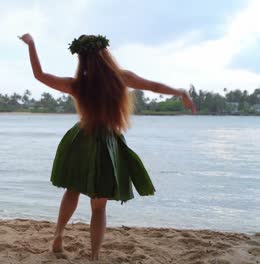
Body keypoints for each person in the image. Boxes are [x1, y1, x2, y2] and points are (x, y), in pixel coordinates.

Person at [19, 33, 196, 260]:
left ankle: (58, 236)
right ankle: (94, 256)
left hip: (80, 140)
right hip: (107, 145)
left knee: (72, 190)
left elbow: (39, 75)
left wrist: (32, 44)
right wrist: (180, 92)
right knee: (99, 206)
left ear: (81, 58)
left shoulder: (78, 85)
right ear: (105, 53)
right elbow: (154, 86)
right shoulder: (121, 78)